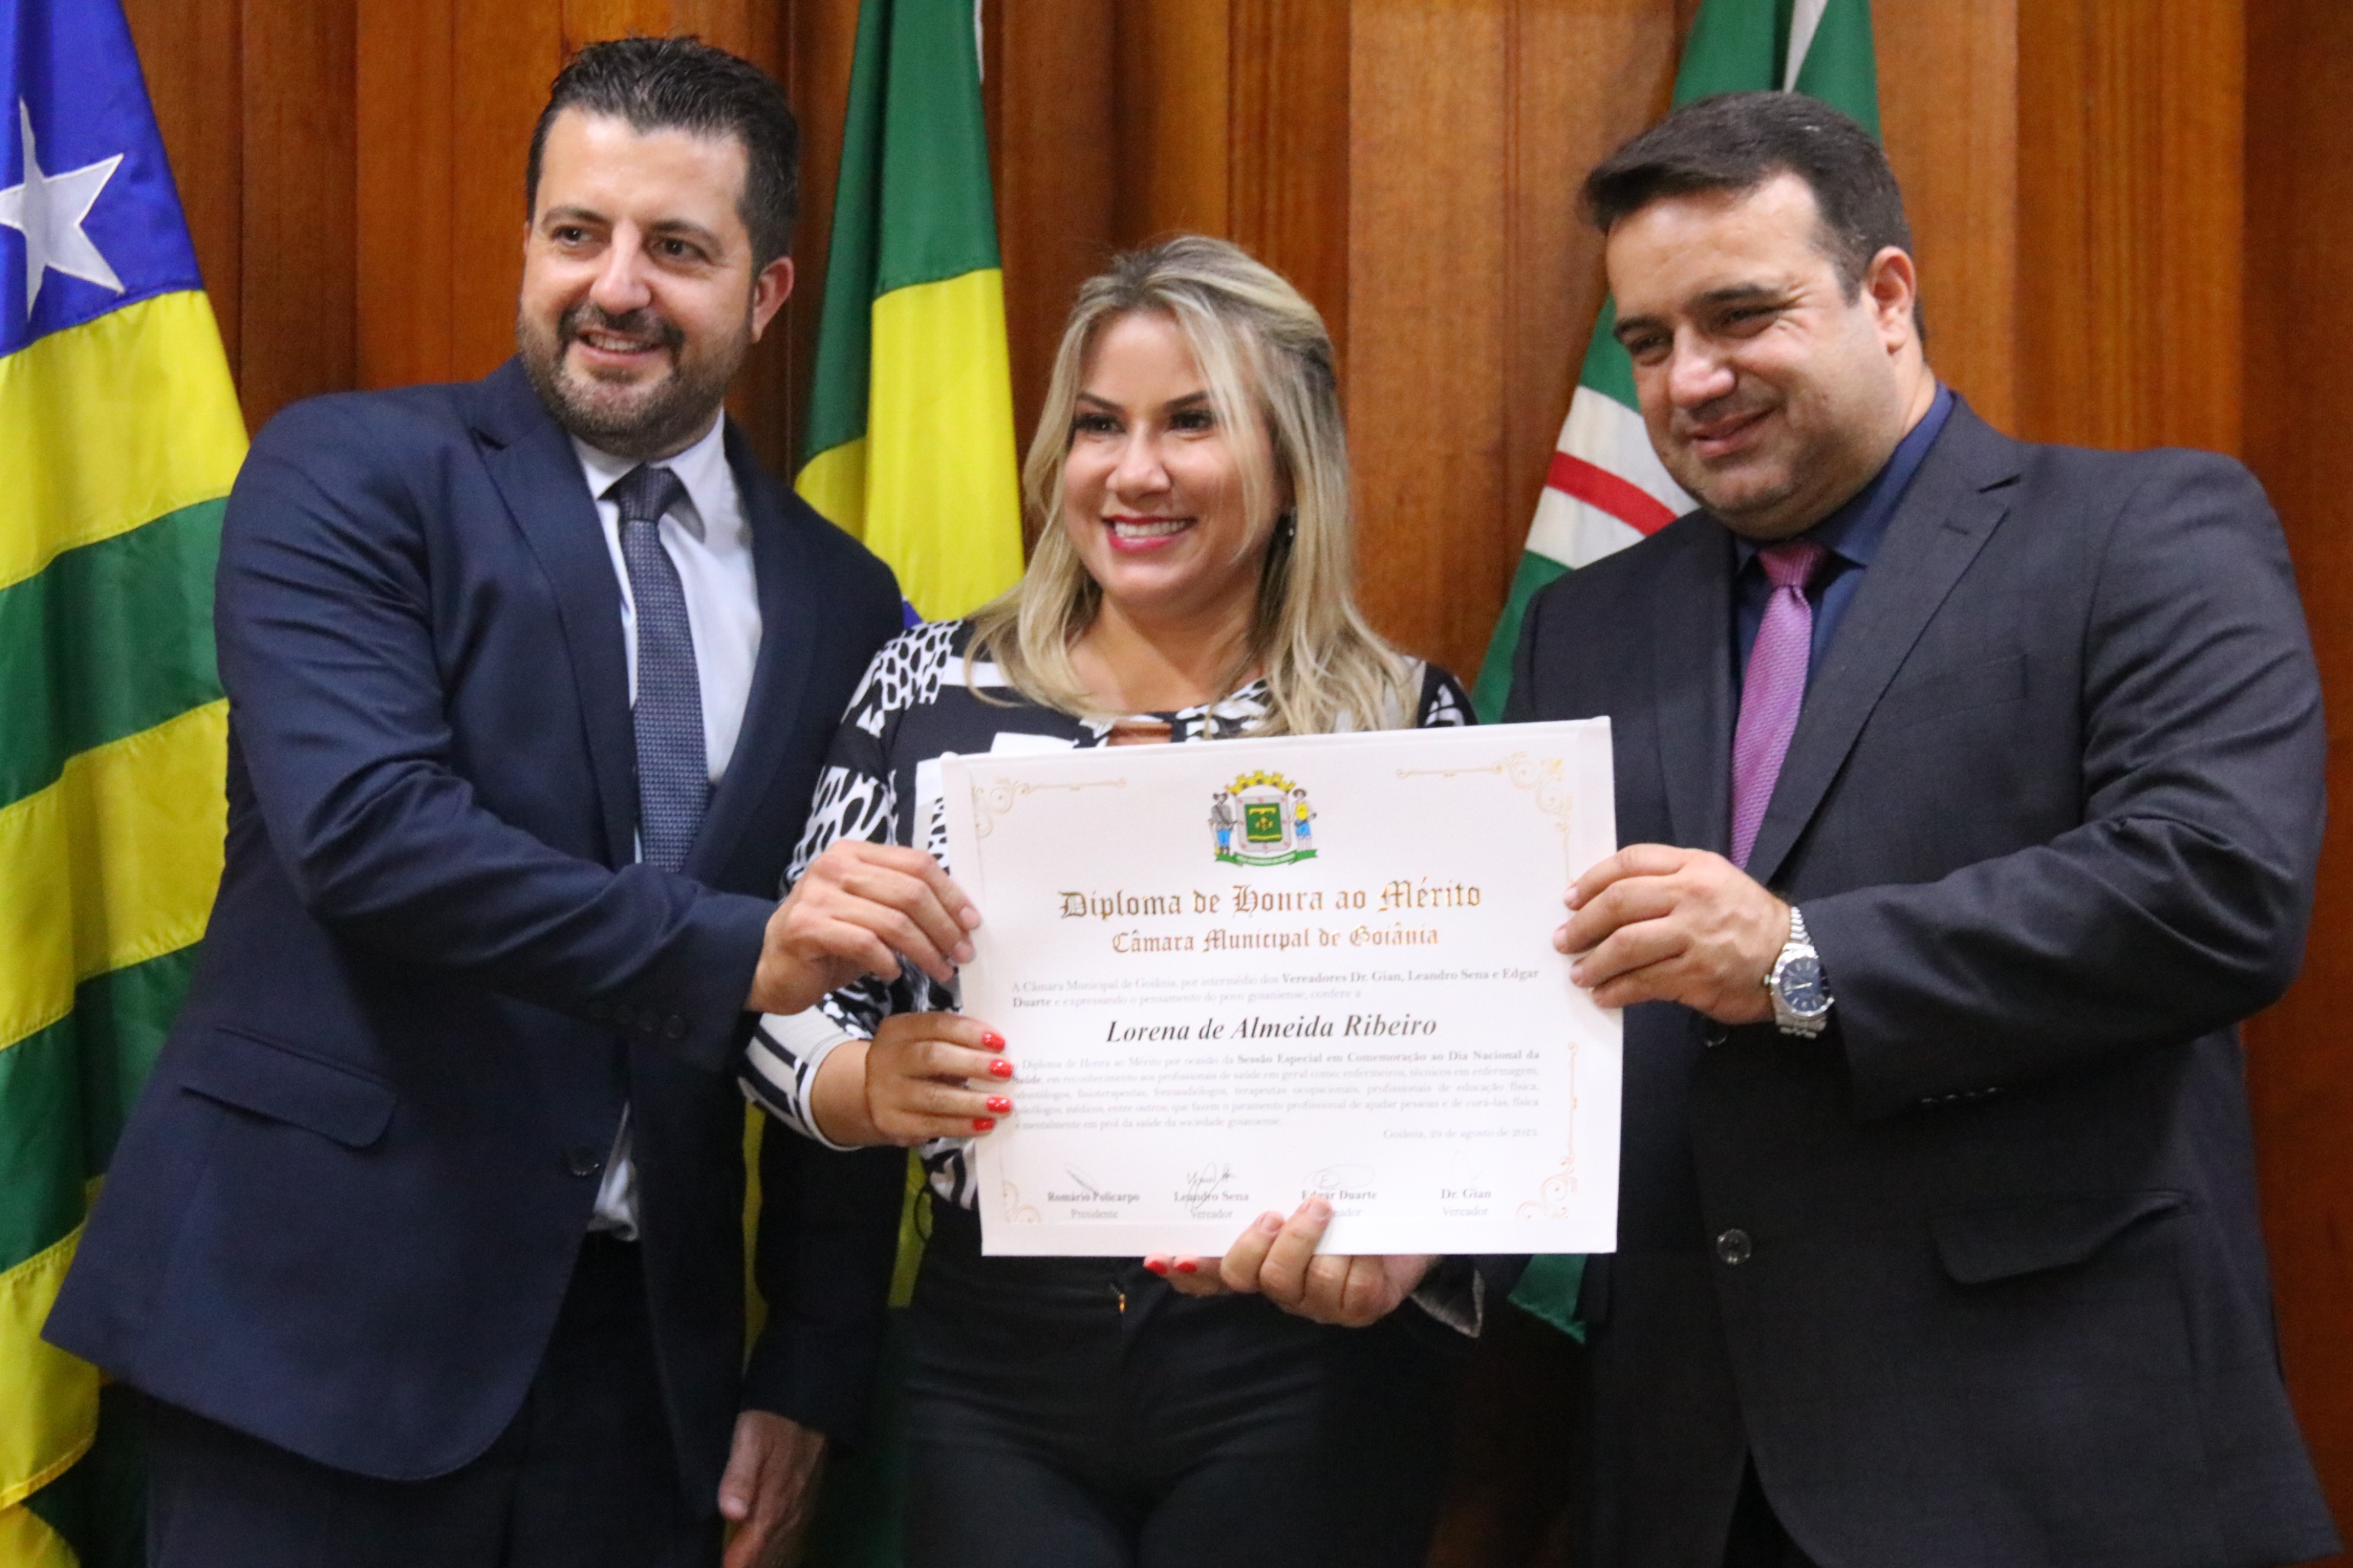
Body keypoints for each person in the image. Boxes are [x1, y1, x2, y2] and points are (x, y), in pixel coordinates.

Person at [45, 37, 977, 1568]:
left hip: (641, 1387)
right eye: (576, 233)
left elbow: (857, 978)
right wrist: (739, 949)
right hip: (314, 1335)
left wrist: (810, 1365)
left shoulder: (846, 601)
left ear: (766, 292)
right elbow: (367, 836)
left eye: (676, 249)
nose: (615, 287)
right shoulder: (349, 475)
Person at [1509, 91, 2341, 1568]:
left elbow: (2214, 889)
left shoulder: (2140, 533)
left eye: (1740, 315)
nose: (1689, 379)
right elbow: (1536, 1001)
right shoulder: (1588, 625)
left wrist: (1799, 958)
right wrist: (1403, 1224)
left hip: (2046, 1454)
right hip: (1694, 1467)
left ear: (1884, 294)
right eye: (1647, 339)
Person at [741, 236, 1491, 1568]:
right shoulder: (928, 689)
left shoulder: (1396, 722)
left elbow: (1479, 1066)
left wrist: (1410, 1243)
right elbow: (778, 996)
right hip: (997, 1358)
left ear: (1290, 459)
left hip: (1296, 1359)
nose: (1133, 471)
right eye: (1099, 424)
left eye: (1191, 422)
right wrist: (864, 1083)